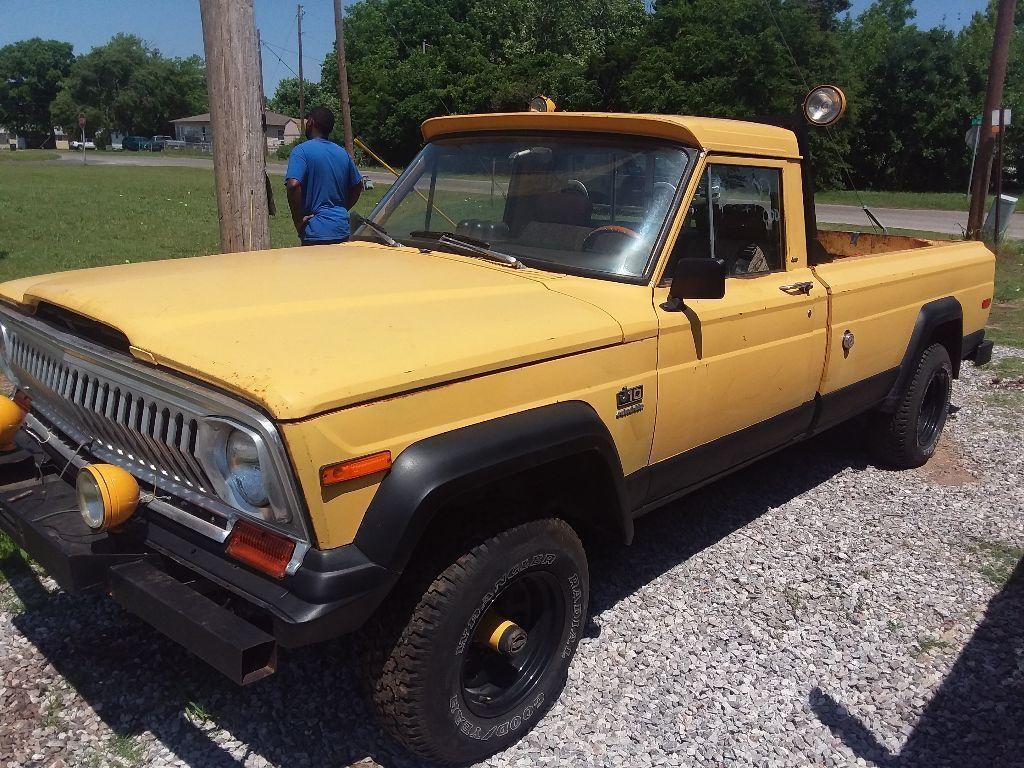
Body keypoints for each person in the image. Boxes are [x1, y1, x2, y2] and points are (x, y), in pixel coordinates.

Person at [285, 106, 363, 245]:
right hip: (341, 230)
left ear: (311, 122)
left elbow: (293, 185)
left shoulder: (301, 151)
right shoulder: (342, 153)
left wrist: (298, 221)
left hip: (315, 231)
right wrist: (341, 209)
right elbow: (358, 185)